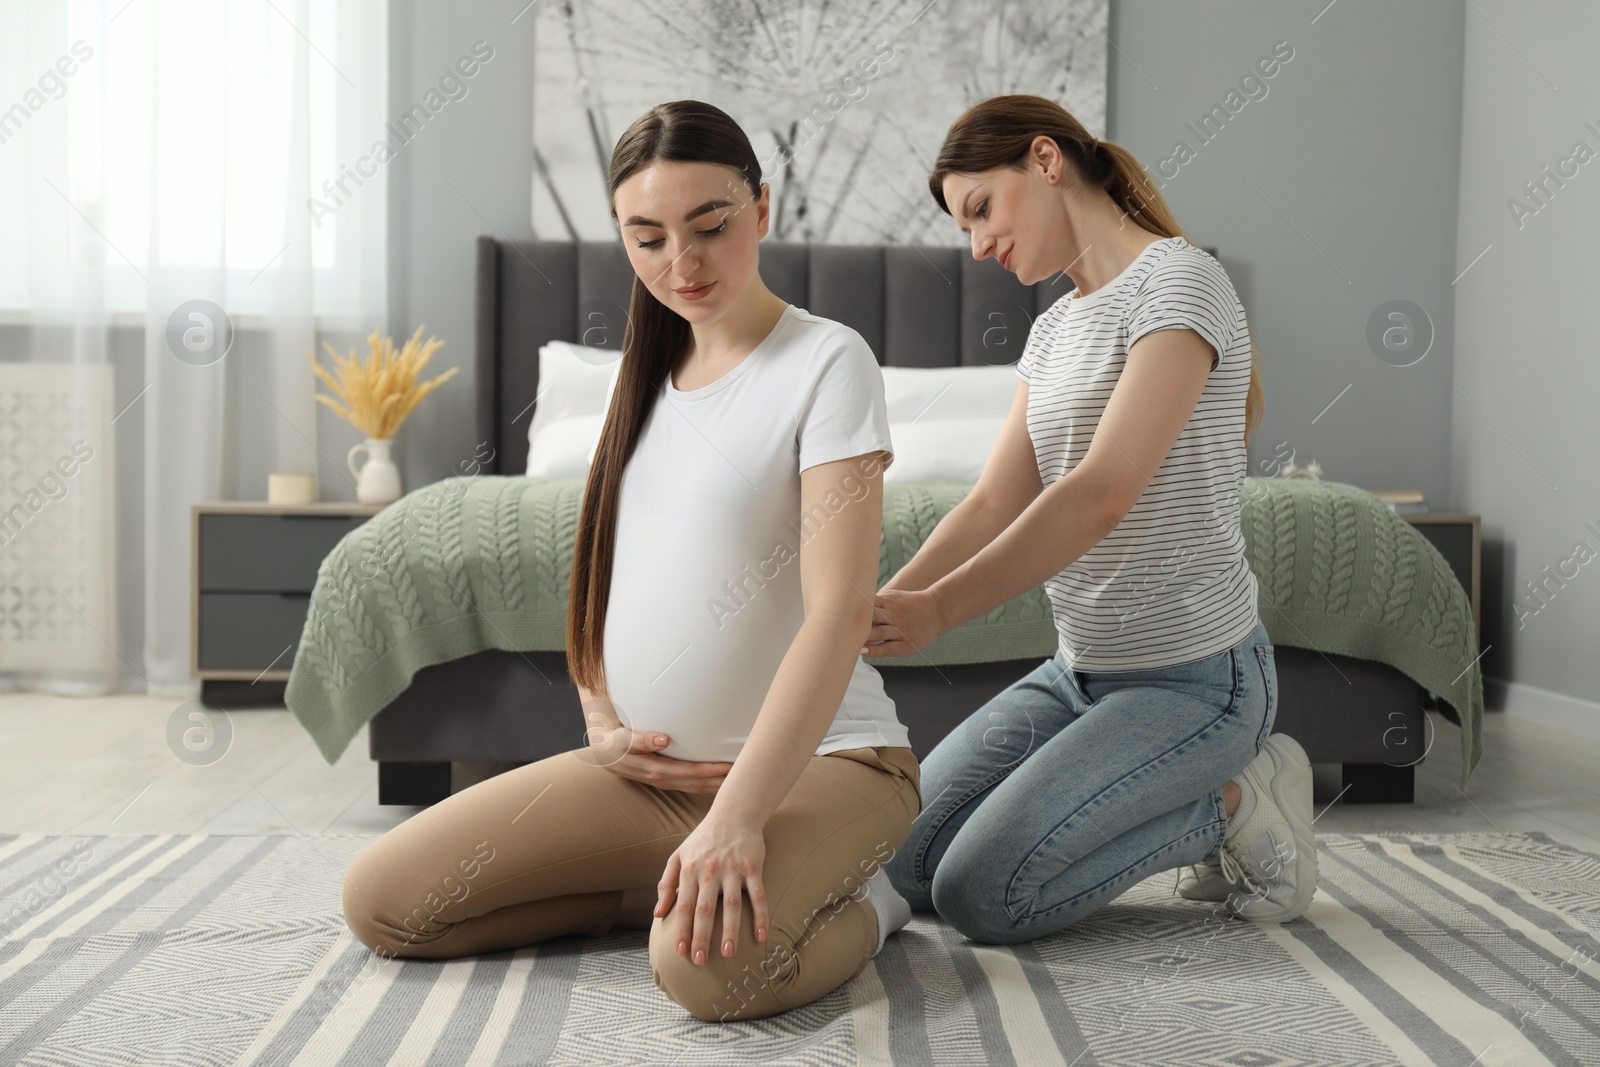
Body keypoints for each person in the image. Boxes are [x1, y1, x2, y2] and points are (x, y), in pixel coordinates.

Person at [341, 100, 920, 1022]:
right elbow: (609, 570)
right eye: (646, 239)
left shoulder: (826, 361)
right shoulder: (636, 377)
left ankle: (878, 900)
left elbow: (840, 613)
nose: (680, 265)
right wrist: (600, 714)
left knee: (709, 977)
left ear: (761, 211)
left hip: (826, 770)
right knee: (386, 901)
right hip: (651, 783)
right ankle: (663, 891)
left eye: (710, 226)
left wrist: (737, 818)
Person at [863, 94, 1319, 944]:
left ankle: (1239, 798)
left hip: (1197, 681)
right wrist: (885, 604)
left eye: (981, 210)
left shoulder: (1180, 281)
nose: (978, 245)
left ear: (1044, 160)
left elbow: (1102, 490)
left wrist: (941, 612)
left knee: (981, 895)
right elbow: (995, 500)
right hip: (1079, 674)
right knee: (900, 861)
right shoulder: (1058, 326)